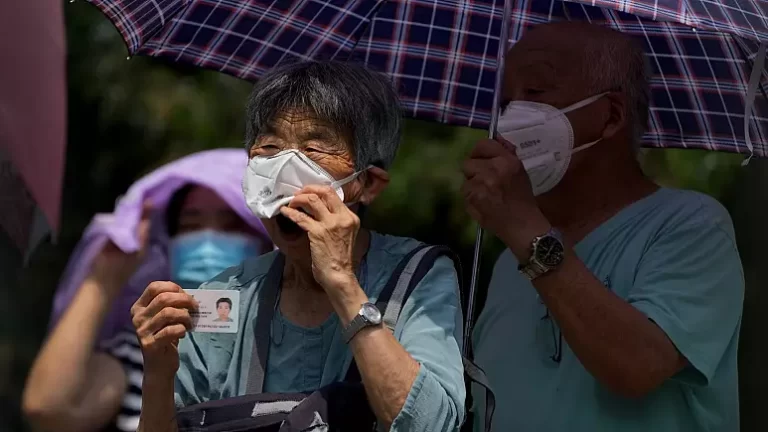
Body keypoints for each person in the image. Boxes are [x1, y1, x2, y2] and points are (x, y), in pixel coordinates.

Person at [130, 61, 466, 432]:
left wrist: (342, 284)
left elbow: (430, 425)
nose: (285, 171)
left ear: (368, 184)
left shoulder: (417, 278)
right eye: (270, 148)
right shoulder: (224, 297)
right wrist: (159, 370)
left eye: (314, 150)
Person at [463, 22, 744, 431]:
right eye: (505, 102)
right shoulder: (510, 260)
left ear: (611, 116)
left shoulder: (692, 226)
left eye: (535, 94)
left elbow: (638, 367)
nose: (510, 118)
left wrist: (527, 232)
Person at [23, 149, 273, 432]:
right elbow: (48, 408)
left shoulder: (292, 341)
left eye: (232, 226)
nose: (207, 241)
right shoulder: (145, 346)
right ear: (169, 244)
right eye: (190, 226)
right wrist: (103, 280)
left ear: (267, 238)